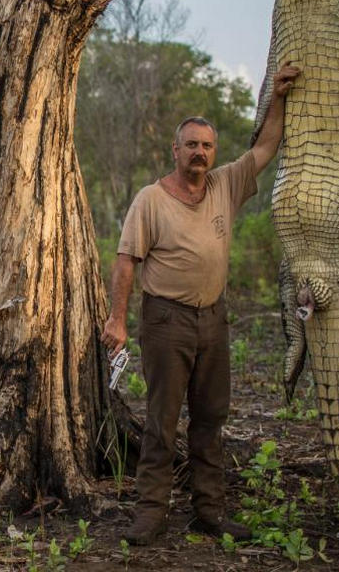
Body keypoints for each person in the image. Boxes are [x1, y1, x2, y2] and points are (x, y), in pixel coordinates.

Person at [101, 63, 301, 545]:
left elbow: (266, 147)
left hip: (213, 318)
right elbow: (126, 262)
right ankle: (151, 514)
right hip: (166, 320)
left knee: (211, 419)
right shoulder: (151, 199)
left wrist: (276, 97)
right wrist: (117, 319)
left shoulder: (225, 185)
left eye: (207, 146)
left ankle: (209, 511)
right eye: (191, 144)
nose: (199, 152)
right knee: (162, 420)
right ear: (175, 150)